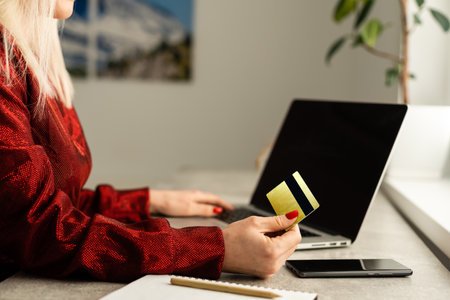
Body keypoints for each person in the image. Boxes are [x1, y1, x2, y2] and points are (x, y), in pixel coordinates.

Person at [0, 0, 301, 282]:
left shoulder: (30, 58)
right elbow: (38, 231)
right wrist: (215, 248)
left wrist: (151, 201)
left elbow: (57, 200)